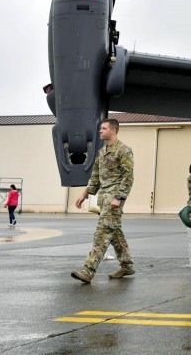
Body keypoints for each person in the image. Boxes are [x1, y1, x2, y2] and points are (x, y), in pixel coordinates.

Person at [71, 118, 135, 283]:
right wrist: (84, 194)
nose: (100, 131)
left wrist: (119, 197)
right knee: (114, 232)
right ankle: (127, 265)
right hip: (103, 198)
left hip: (113, 198)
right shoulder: (101, 152)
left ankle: (88, 271)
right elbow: (95, 178)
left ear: (113, 131)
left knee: (102, 233)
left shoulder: (124, 151)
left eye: (104, 128)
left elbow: (128, 176)